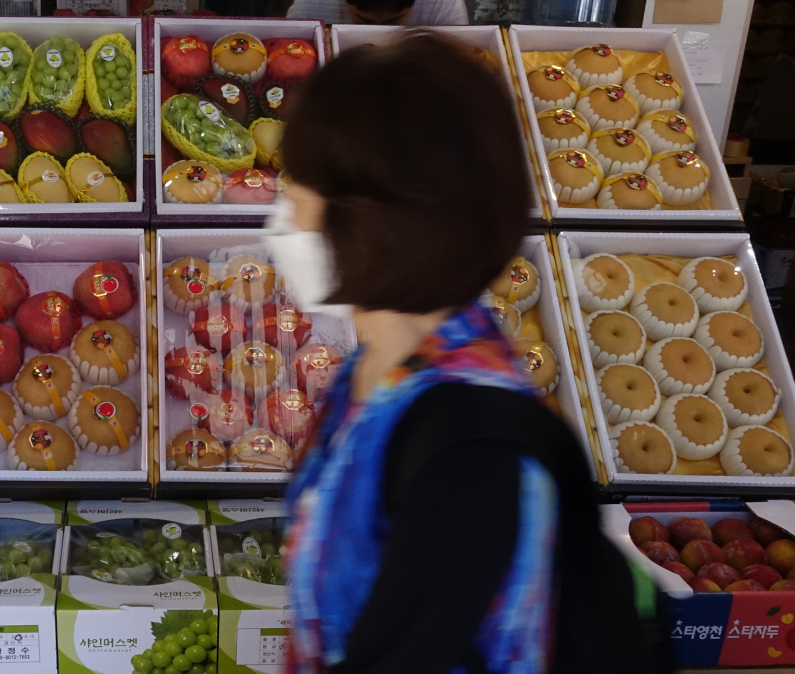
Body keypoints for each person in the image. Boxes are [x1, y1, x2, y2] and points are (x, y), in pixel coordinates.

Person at [266, 33, 672, 674]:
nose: (282, 215)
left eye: (297, 191)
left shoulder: (472, 458)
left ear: (371, 220)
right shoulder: (377, 370)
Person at [286, 0, 467, 28]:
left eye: (393, 21)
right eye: (364, 20)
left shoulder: (443, 5)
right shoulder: (309, 7)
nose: (376, 31)